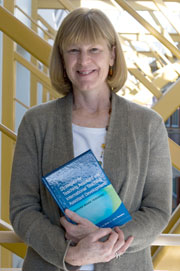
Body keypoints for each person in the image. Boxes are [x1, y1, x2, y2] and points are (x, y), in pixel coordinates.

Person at [10, 7, 172, 271]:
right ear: (62, 59)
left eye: (94, 50)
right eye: (73, 51)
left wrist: (110, 241)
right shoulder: (37, 123)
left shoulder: (147, 125)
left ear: (112, 55)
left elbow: (157, 210)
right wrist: (70, 254)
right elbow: (22, 209)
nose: (84, 61)